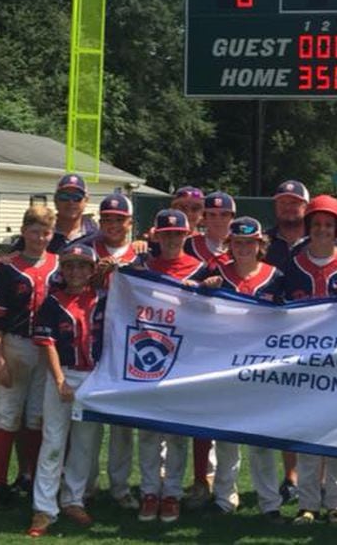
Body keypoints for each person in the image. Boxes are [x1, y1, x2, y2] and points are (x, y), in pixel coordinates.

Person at [282, 194, 337, 527]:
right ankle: (308, 503)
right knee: (307, 434)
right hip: (303, 363)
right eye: (317, 224)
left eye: (329, 224)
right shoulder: (293, 265)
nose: (323, 230)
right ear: (309, 226)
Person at [200, 216, 287, 520]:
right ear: (230, 244)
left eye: (250, 243)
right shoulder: (217, 274)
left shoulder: (276, 277)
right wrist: (203, 289)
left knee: (262, 442)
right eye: (238, 242)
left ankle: (269, 503)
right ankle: (225, 498)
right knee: (225, 440)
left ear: (260, 244)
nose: (244, 248)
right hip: (224, 367)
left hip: (263, 370)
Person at [134, 209, 209, 523]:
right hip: (149, 355)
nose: (171, 239)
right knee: (149, 432)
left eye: (177, 234)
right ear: (156, 235)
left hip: (186, 361)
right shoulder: (141, 270)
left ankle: (173, 493)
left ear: (187, 235)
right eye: (166, 234)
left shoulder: (202, 270)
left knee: (177, 433)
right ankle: (150, 491)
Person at [27, 244, 106, 537]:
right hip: (62, 376)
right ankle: (44, 509)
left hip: (93, 378)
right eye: (70, 266)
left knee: (85, 444)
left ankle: (73, 499)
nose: (76, 272)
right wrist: (60, 379)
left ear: (92, 270)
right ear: (62, 269)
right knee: (53, 442)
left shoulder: (103, 300)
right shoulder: (52, 302)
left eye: (83, 266)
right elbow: (46, 344)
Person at [0, 206, 59, 507]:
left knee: (35, 416)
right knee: (8, 415)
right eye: (34, 231)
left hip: (47, 348)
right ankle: (0, 483)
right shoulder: (7, 267)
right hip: (16, 344)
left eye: (45, 232)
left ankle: (28, 475)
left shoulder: (59, 264)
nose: (39, 237)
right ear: (23, 231)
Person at [182, 191, 236, 510]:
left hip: (232, 338)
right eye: (211, 214)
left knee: (228, 414)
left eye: (223, 214)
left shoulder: (245, 244)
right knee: (199, 411)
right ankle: (201, 479)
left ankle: (226, 486)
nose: (217, 219)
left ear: (232, 216)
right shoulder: (191, 244)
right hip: (197, 337)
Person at [87, 193, 141, 511]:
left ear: (129, 222)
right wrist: (97, 273)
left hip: (127, 346)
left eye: (119, 219)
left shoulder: (141, 255)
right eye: (107, 218)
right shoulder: (85, 250)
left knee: (123, 424)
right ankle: (86, 485)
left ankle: (120, 487)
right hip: (90, 342)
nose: (113, 224)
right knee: (90, 422)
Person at [263, 179, 310, 503]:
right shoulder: (263, 240)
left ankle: (310, 479)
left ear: (305, 206)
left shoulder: (321, 235)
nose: (288, 207)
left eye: (294, 202)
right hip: (269, 334)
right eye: (283, 202)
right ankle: (291, 476)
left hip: (313, 334)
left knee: (312, 407)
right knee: (279, 409)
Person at [12, 174, 100, 255]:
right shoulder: (39, 232)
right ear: (55, 200)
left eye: (77, 197)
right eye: (64, 197)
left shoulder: (96, 235)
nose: (70, 202)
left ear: (86, 200)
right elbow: (13, 261)